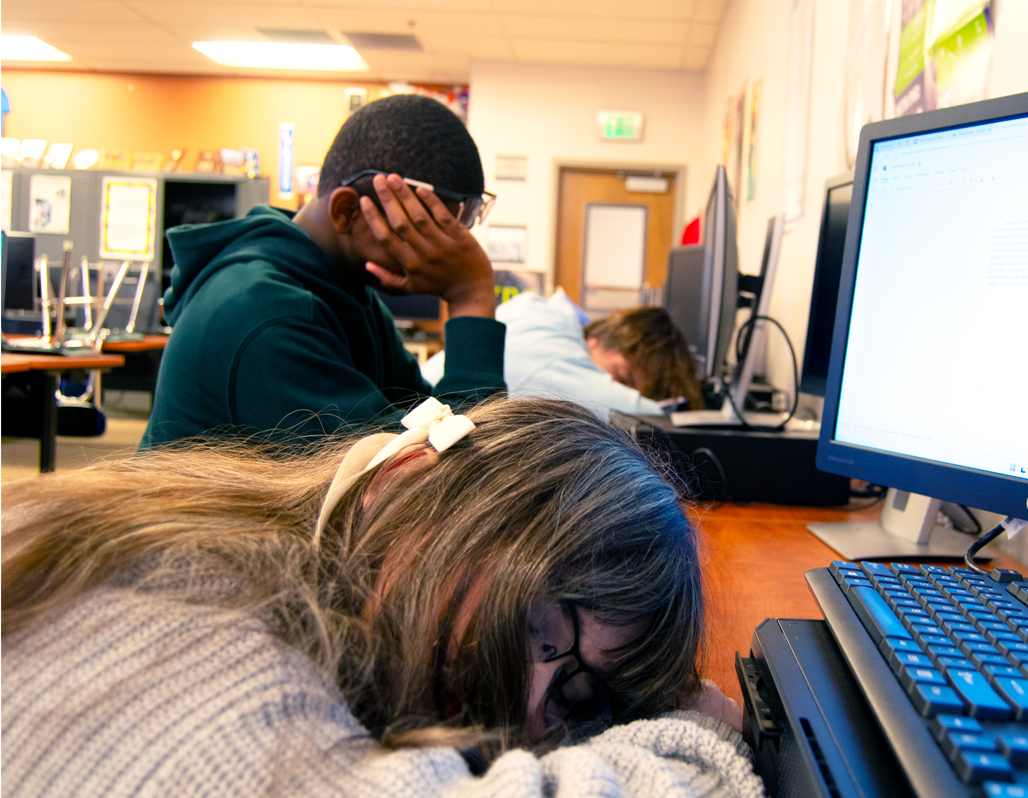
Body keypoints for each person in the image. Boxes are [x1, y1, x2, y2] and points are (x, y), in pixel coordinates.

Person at [3, 398, 756, 798]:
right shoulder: (194, 614)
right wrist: (693, 743)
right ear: (406, 483)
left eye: (576, 690)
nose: (529, 706)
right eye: (539, 629)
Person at [140, 94, 505, 449]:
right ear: (346, 210)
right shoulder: (264, 313)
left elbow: (432, 425)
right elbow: (434, 487)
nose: (446, 252)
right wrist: (470, 296)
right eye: (425, 230)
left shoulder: (349, 294)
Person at [422, 289, 704, 416]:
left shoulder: (542, 311)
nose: (616, 390)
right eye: (621, 377)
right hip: (409, 435)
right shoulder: (556, 354)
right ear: (595, 341)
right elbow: (652, 421)